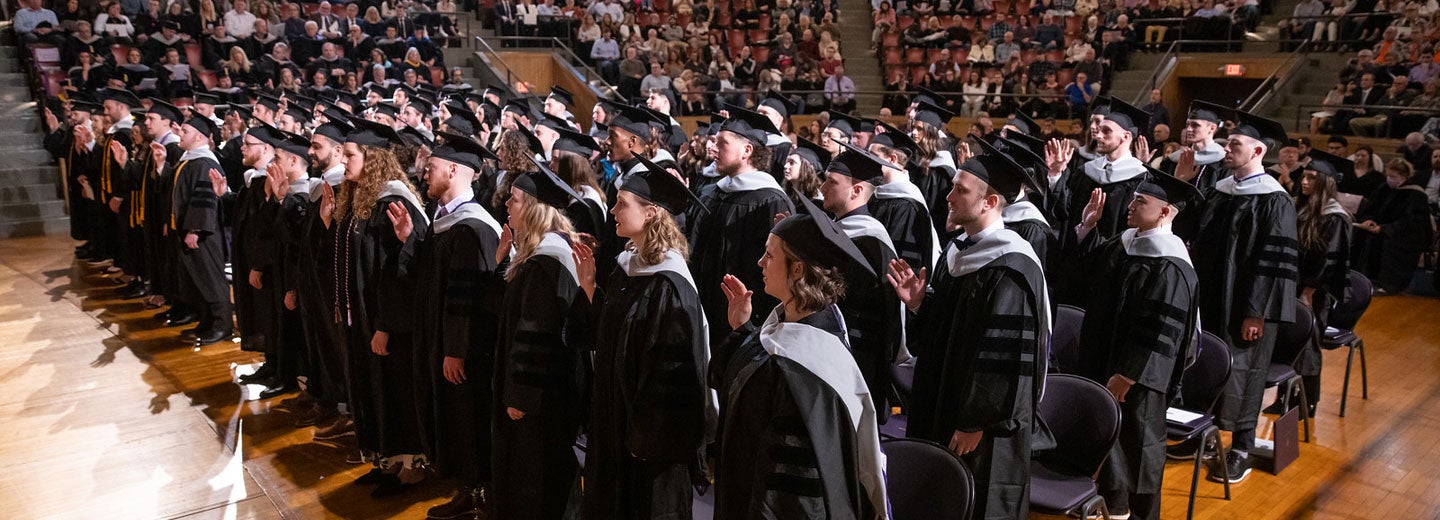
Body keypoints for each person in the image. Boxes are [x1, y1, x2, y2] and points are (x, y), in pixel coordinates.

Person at [889, 151, 1052, 520]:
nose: (948, 197)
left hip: (984, 425)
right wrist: (919, 305)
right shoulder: (959, 251)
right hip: (945, 400)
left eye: (959, 190)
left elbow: (1005, 356)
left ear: (990, 202)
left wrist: (976, 420)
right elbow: (950, 334)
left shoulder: (1011, 266)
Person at [711, 209, 889, 519]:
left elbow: (796, 492)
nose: (760, 262)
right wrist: (743, 329)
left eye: (769, 255)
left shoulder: (810, 369)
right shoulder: (783, 330)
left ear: (797, 271)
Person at [574, 157, 715, 520]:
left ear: (651, 213)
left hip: (651, 442)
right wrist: (590, 288)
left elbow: (676, 376)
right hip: (615, 421)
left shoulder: (671, 284)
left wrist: (649, 436)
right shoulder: (627, 267)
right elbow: (607, 342)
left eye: (622, 203)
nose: (612, 209)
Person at [1064, 170, 1202, 520]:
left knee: (1137, 444)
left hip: (1139, 378)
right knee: (1109, 443)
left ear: (1165, 212)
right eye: (1134, 198)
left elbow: (1161, 330)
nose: (1131, 206)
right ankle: (1114, 506)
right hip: (1104, 358)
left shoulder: (1171, 263)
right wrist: (1086, 228)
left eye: (1141, 201)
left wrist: (1129, 374)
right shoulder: (1125, 241)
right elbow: (1083, 274)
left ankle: (1140, 513)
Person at [1178, 110, 1298, 484]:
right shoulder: (1221, 189)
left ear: (1258, 150)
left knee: (1244, 372)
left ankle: (1242, 446)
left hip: (1246, 305)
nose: (1226, 149)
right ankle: (1205, 434)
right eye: (1227, 143)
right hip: (1211, 296)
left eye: (1235, 144)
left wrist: (1256, 313)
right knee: (1205, 365)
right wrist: (1181, 184)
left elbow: (1274, 264)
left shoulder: (1275, 201)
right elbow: (1189, 230)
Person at [390, 134, 505, 518]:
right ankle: (469, 488)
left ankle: (482, 496)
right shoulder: (443, 220)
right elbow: (429, 279)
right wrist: (410, 239)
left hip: (465, 350)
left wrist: (455, 348)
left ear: (453, 170)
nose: (424, 173)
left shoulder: (474, 227)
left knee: (469, 418)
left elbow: (470, 297)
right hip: (440, 341)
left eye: (433, 167)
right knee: (454, 417)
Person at [324, 118, 431, 496]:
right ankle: (385, 459)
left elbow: (398, 274)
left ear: (372, 159)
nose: (344, 159)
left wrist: (386, 325)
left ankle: (411, 467)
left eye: (350, 154)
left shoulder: (394, 202)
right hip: (363, 319)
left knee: (394, 390)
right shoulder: (358, 202)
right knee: (372, 388)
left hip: (387, 324)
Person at [490, 160, 587, 520]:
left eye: (514, 200)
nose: (506, 206)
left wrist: (521, 395)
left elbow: (538, 336)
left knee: (537, 478)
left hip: (539, 400)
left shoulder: (547, 263)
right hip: (543, 398)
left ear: (532, 208)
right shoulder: (538, 257)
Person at [686, 107, 795, 345]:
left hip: (746, 318)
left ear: (747, 150)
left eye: (722, 143)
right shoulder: (712, 192)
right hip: (702, 306)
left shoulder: (770, 200)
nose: (713, 148)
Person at [818, 144, 905, 423]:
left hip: (856, 367)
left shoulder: (872, 245)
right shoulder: (836, 232)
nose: (822, 188)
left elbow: (875, 325)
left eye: (832, 182)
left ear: (856, 191)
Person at [1047, 98, 1150, 302]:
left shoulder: (1141, 178)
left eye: (1107, 131)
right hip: (1075, 263)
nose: (1099, 135)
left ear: (1126, 136)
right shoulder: (1086, 171)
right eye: (1099, 129)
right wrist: (1056, 175)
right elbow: (1063, 211)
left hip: (1111, 269)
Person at [1274, 150, 1353, 418]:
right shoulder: (1302, 207)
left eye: (1310, 178)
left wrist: (1308, 291)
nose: (1304, 182)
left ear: (1325, 183)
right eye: (1304, 177)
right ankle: (1285, 398)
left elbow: (1328, 260)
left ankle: (1306, 403)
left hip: (1314, 293)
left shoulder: (1334, 216)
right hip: (1292, 286)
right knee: (1287, 341)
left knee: (1307, 346)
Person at [170, 113, 235, 344]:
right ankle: (207, 322)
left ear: (199, 137)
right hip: (192, 231)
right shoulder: (191, 159)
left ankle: (222, 326)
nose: (180, 133)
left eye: (185, 131)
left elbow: (207, 198)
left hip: (204, 234)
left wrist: (195, 230)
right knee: (199, 280)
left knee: (211, 279)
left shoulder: (205, 162)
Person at [867, 121, 942, 274]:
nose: (868, 161)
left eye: (873, 156)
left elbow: (902, 260)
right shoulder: (878, 194)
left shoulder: (907, 204)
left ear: (892, 159)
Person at [1352, 159, 1434, 294]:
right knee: (1360, 235)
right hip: (1378, 228)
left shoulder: (1416, 194)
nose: (1390, 180)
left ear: (1404, 176)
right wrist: (1369, 220)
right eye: (1388, 176)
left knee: (1390, 243)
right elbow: (1370, 208)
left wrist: (1384, 229)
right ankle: (1363, 279)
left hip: (1404, 234)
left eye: (1394, 177)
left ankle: (1388, 284)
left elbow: (1411, 221)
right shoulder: (1383, 188)